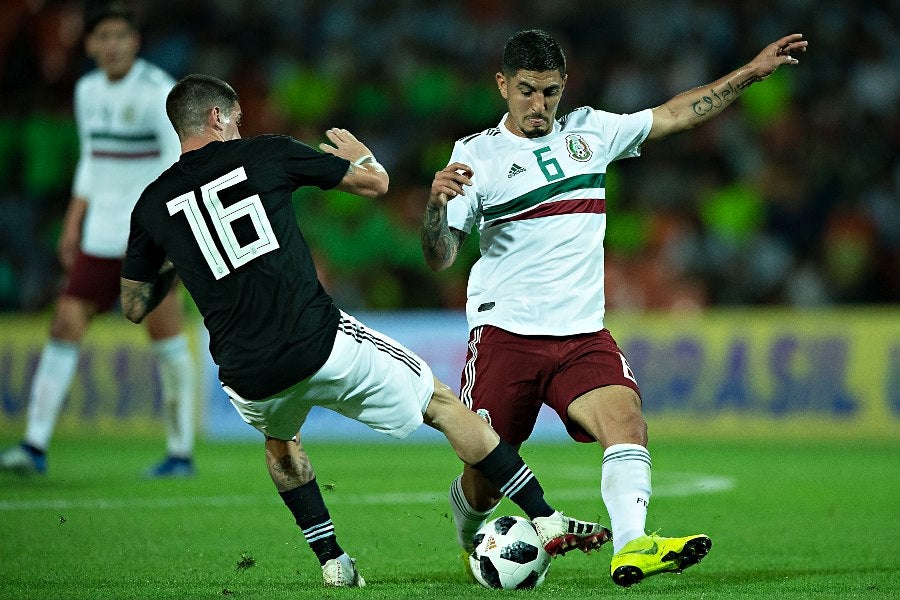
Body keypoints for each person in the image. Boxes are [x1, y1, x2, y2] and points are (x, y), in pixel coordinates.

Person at [119, 73, 609, 587]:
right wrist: (363, 155)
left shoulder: (152, 204)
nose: (241, 129)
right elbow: (375, 185)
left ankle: (334, 563)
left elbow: (134, 305)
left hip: (246, 374)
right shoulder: (265, 154)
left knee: (281, 445)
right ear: (217, 118)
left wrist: (178, 256)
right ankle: (545, 514)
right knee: (444, 406)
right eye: (237, 121)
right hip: (319, 343)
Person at [422, 29, 808, 587]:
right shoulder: (474, 156)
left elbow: (677, 113)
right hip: (506, 333)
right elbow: (441, 257)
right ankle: (468, 536)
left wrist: (750, 71)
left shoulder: (592, 131)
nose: (539, 105)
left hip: (581, 336)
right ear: (502, 85)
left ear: (564, 87)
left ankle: (632, 547)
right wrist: (436, 208)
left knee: (627, 423)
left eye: (550, 92)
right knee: (483, 479)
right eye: (527, 91)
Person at [0, 2, 197, 478]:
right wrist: (73, 222)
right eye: (103, 37)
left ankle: (180, 452)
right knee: (64, 324)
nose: (112, 45)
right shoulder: (86, 91)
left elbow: (179, 165)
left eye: (120, 36)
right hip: (99, 235)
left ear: (135, 42)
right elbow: (91, 159)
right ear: (89, 45)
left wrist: (169, 234)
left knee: (165, 336)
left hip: (147, 238)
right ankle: (34, 446)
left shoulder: (156, 92)